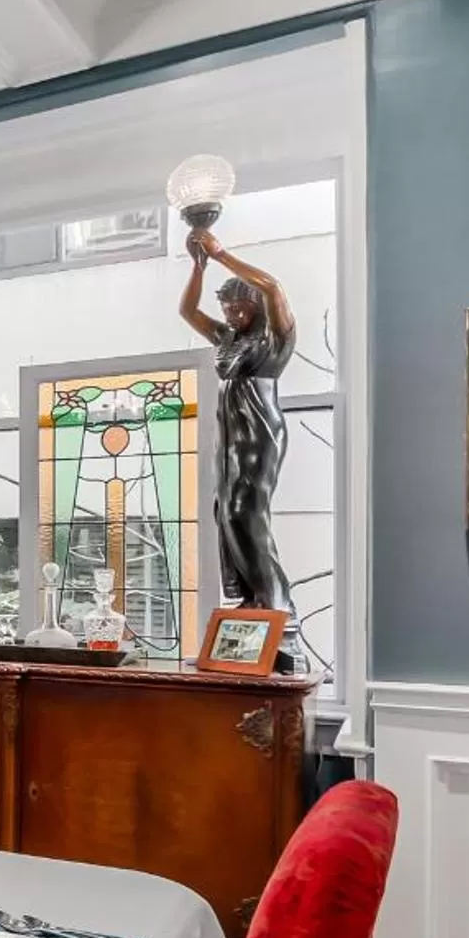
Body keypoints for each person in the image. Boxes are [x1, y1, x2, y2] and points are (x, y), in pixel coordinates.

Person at [178, 227, 301, 671]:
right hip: (229, 433)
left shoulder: (275, 340)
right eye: (226, 308)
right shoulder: (228, 339)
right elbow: (187, 309)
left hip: (259, 430)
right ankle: (249, 600)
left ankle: (275, 606)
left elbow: (272, 287)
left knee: (246, 513)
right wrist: (198, 265)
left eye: (237, 307)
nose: (230, 314)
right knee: (223, 511)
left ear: (253, 306)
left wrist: (222, 253)